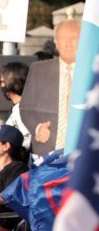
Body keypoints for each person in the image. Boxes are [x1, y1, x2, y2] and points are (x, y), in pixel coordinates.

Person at [20, 18, 81, 155]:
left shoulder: (92, 73)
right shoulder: (39, 70)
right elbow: (25, 108)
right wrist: (37, 128)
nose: (68, 43)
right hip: (46, 154)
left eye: (74, 38)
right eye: (63, 38)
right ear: (56, 42)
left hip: (84, 154)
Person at [0, 61, 31, 150]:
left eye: (3, 82)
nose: (1, 85)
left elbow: (26, 142)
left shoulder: (24, 110)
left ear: (13, 82)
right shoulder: (14, 109)